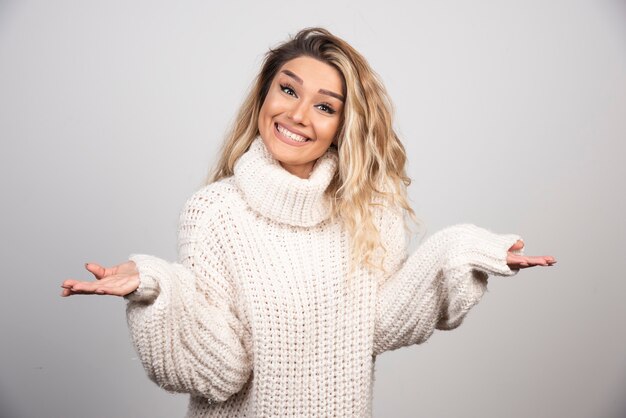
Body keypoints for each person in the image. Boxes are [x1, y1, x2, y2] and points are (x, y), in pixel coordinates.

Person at [60, 27, 556, 417]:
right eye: (287, 90)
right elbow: (225, 369)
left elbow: (374, 325)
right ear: (264, 96)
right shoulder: (213, 211)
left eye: (324, 106)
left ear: (344, 125)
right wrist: (157, 287)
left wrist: (459, 250)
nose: (298, 115)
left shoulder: (368, 209)